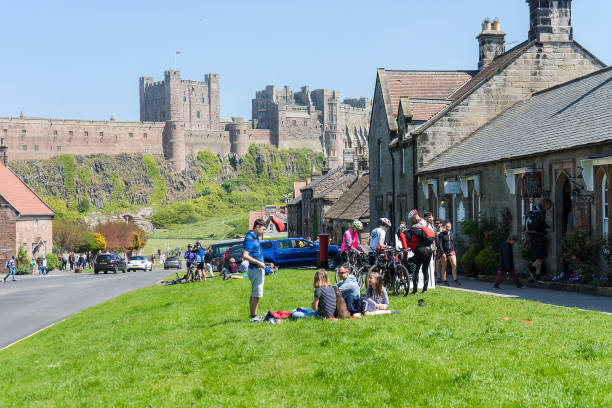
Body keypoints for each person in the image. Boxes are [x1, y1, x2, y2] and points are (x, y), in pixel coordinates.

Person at [400, 209, 435, 294]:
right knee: (425, 270)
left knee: (416, 270)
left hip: (420, 249)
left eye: (411, 219)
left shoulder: (421, 223)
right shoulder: (424, 223)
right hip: (429, 249)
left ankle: (415, 291)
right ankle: (425, 290)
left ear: (415, 216)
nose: (411, 221)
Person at [243, 218, 271, 320]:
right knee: (257, 295)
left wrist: (269, 219)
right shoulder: (250, 239)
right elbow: (245, 255)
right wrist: (259, 262)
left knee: (254, 293)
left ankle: (252, 315)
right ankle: (254, 318)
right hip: (256, 270)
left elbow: (263, 226)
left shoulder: (253, 234)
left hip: (255, 269)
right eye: (263, 230)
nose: (264, 232)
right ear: (257, 227)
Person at [526, 198, 552, 283]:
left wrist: (546, 226)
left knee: (539, 257)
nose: (549, 208)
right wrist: (544, 229)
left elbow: (541, 223)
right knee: (540, 257)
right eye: (549, 206)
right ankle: (531, 268)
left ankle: (537, 276)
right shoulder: (539, 213)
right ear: (545, 204)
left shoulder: (538, 211)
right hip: (536, 237)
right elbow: (536, 226)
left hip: (535, 237)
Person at [438, 221, 461, 286]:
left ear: (451, 227)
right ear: (444, 227)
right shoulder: (441, 234)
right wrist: (442, 253)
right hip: (444, 252)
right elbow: (439, 244)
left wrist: (454, 251)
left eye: (449, 227)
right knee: (444, 266)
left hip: (451, 251)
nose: (448, 228)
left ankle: (455, 280)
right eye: (447, 226)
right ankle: (444, 280)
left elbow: (453, 243)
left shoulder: (451, 234)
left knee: (454, 265)